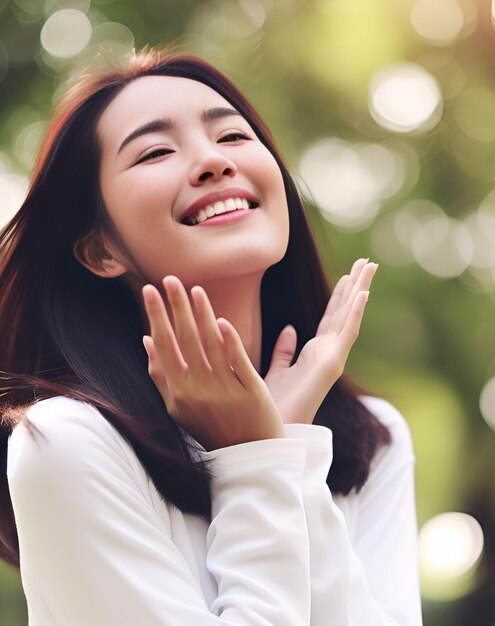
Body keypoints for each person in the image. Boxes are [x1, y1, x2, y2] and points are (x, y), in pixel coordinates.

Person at [0, 48, 422, 625]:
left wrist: (284, 442)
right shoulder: (66, 445)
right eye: (155, 151)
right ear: (100, 250)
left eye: (232, 136)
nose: (212, 162)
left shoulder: (375, 441)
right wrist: (259, 460)